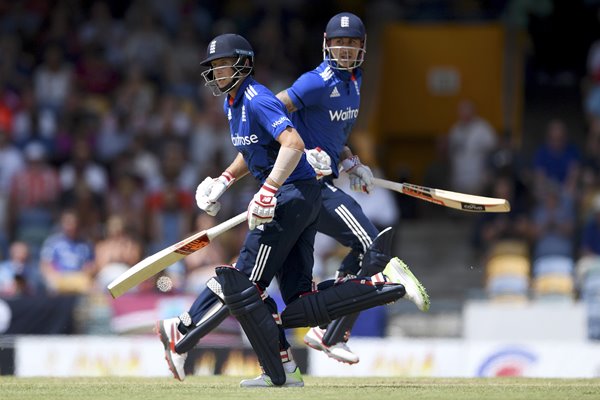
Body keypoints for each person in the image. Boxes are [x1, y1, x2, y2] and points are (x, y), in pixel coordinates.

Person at [155, 33, 429, 387]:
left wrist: (269, 190)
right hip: (302, 197)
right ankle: (370, 293)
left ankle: (184, 331)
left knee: (245, 285)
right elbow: (256, 148)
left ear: (243, 63)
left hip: (291, 197)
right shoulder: (233, 104)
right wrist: (223, 180)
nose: (218, 72)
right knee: (297, 299)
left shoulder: (257, 99)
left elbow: (293, 141)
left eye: (224, 64)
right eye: (214, 67)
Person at [274, 12, 400, 364]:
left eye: (352, 43)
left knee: (368, 252)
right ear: (327, 45)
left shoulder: (355, 82)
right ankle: (330, 333)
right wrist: (301, 152)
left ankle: (328, 331)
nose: (345, 49)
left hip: (324, 183)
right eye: (339, 42)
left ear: (363, 47)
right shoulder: (315, 82)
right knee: (374, 246)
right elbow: (271, 112)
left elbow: (332, 138)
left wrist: (350, 162)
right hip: (305, 183)